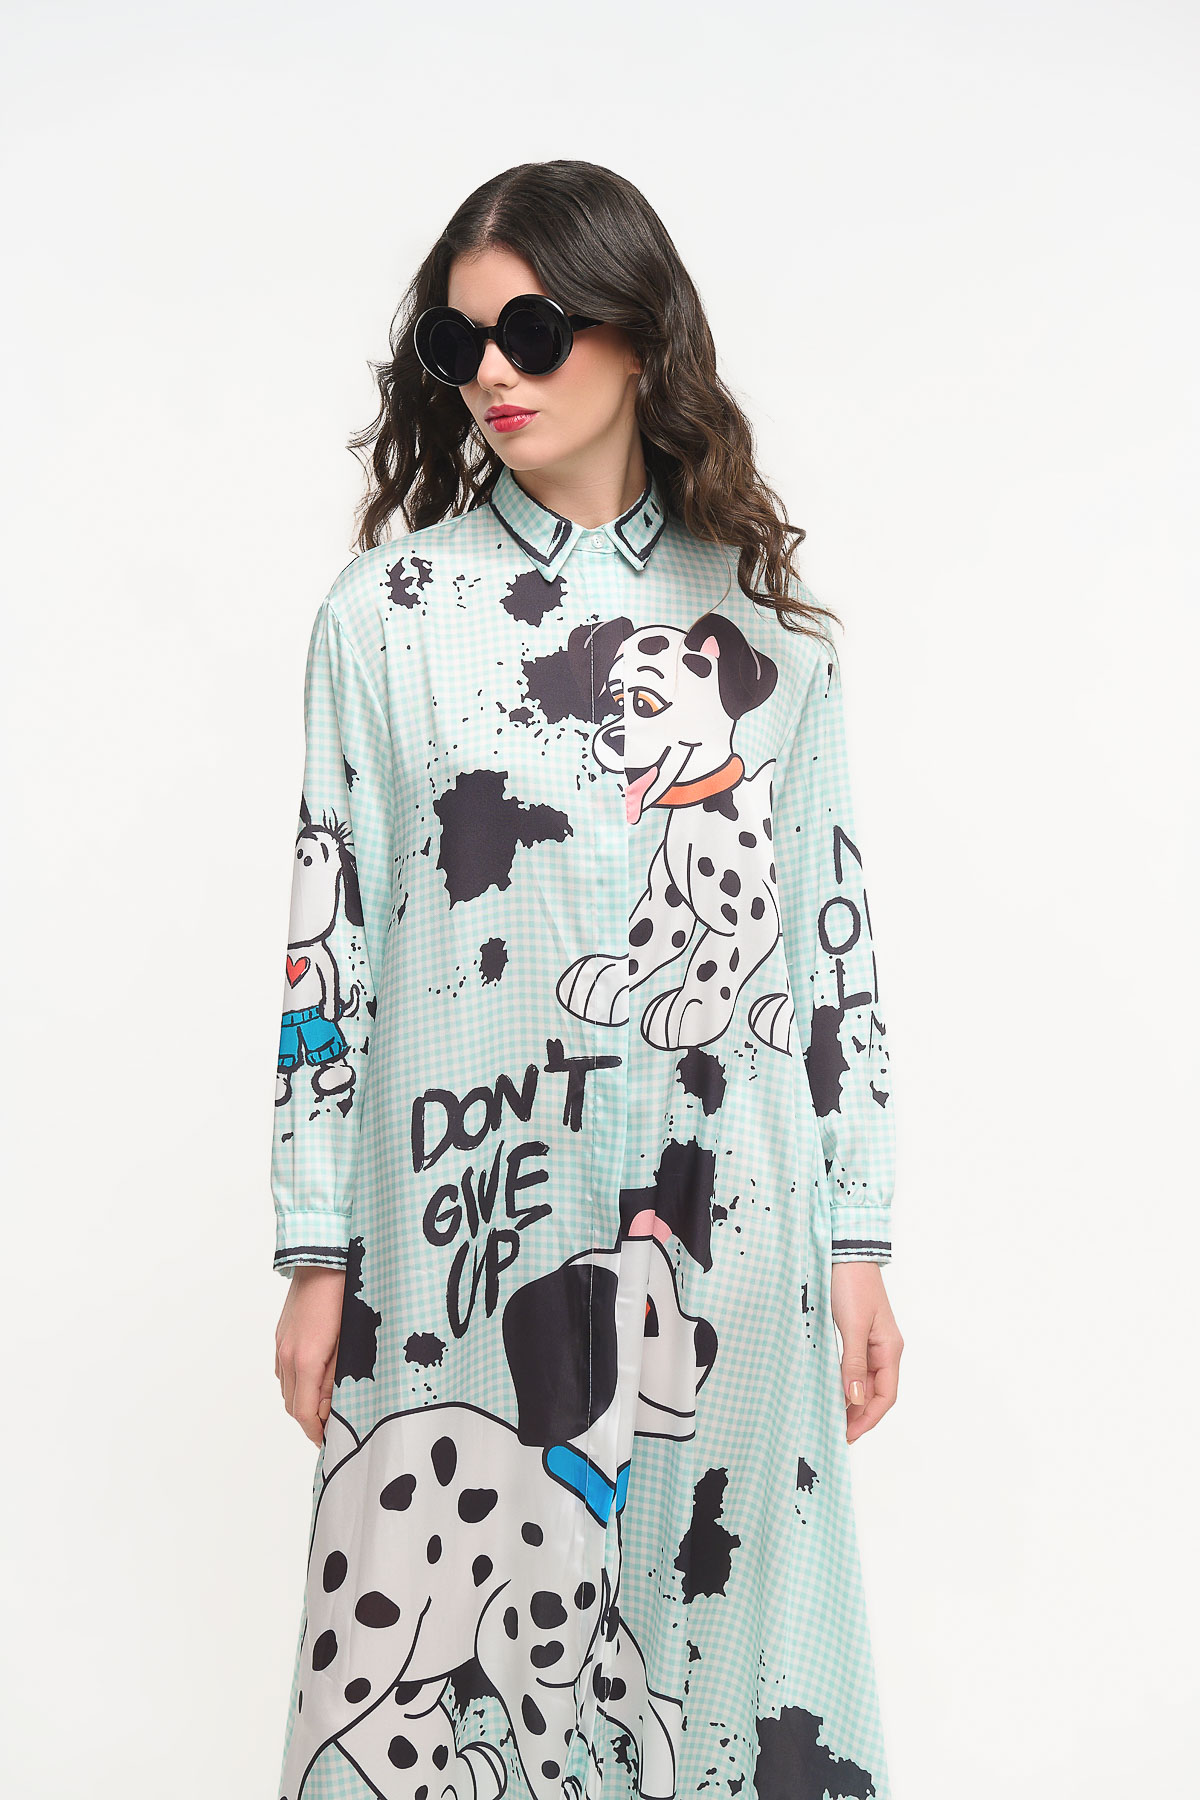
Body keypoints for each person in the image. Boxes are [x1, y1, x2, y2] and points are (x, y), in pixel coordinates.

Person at [269, 159, 904, 1800]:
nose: (492, 372)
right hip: (466, 1223)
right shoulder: (387, 617)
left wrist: (857, 1238)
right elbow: (330, 937)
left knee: (719, 1655)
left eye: (533, 332)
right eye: (457, 342)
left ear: (637, 335)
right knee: (468, 1650)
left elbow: (831, 945)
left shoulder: (770, 637)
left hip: (731, 1230)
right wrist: (316, 1247)